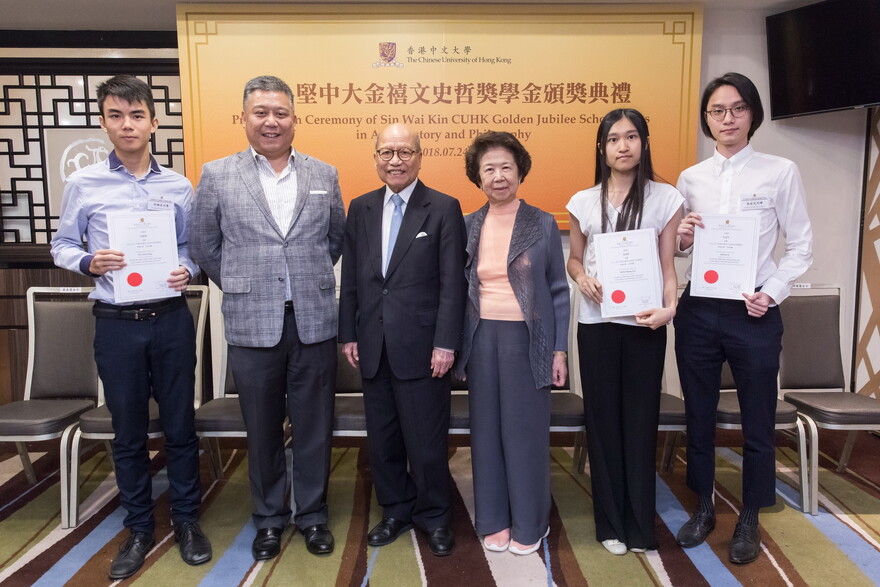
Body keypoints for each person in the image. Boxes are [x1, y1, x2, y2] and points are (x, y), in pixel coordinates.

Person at [50, 75, 211, 580]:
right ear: (104, 123)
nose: (128, 125)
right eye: (117, 115)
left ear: (153, 123)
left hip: (169, 319)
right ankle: (139, 525)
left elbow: (193, 249)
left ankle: (186, 520)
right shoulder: (84, 184)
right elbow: (61, 247)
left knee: (182, 427)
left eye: (137, 115)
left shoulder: (179, 185)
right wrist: (88, 262)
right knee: (128, 432)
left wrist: (191, 270)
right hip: (117, 324)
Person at [189, 75, 345, 561]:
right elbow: (203, 246)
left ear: (295, 119)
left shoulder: (324, 173)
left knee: (315, 424)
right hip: (251, 321)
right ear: (244, 119)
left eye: (280, 112)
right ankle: (270, 518)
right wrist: (242, 283)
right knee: (261, 428)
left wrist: (303, 280)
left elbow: (334, 239)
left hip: (314, 320)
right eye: (261, 113)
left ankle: (313, 515)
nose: (271, 121)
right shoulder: (217, 174)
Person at [674, 72, 813, 564]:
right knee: (699, 414)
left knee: (757, 419)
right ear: (707, 119)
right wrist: (684, 237)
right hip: (699, 309)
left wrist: (772, 292)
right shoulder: (691, 178)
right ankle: (704, 506)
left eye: (736, 109)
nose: (726, 119)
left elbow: (801, 247)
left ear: (752, 114)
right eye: (716, 111)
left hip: (754, 312)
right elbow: (680, 248)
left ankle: (750, 514)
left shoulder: (780, 170)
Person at [338, 123, 466, 556]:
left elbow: (454, 285)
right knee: (384, 440)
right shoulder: (361, 208)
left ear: (419, 156)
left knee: (428, 443)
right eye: (387, 152)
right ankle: (394, 510)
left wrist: (446, 342)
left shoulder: (444, 208)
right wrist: (348, 334)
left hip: (426, 348)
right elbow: (352, 279)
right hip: (373, 346)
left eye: (404, 152)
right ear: (375, 157)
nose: (395, 160)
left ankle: (434, 515)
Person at [566, 109, 682, 555]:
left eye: (631, 136)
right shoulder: (582, 201)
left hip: (645, 324)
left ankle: (640, 525)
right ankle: (610, 524)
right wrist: (582, 278)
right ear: (602, 148)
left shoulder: (665, 198)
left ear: (644, 142)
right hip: (596, 325)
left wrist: (669, 309)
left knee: (639, 422)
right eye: (613, 138)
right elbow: (575, 259)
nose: (623, 146)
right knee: (603, 421)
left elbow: (668, 266)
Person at [455, 131, 569, 556]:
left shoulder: (540, 222)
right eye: (489, 169)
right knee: (485, 432)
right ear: (477, 177)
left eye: (506, 167)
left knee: (525, 433)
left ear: (520, 171)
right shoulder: (467, 224)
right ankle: (493, 519)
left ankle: (529, 522)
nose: (499, 176)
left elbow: (558, 289)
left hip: (529, 339)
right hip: (481, 338)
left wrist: (559, 350)